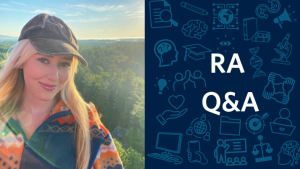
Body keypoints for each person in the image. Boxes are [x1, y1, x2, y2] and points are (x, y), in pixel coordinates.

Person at [0, 13, 123, 169]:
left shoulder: (89, 129)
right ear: (21, 60)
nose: (54, 76)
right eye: (44, 60)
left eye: (64, 64)